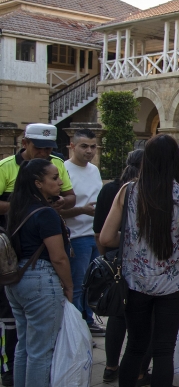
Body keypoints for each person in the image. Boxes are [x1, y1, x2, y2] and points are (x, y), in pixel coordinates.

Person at [99, 134, 179, 387]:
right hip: (173, 285)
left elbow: (106, 237)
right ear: (175, 161)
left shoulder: (127, 191)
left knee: (135, 347)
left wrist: (136, 240)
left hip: (135, 282)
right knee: (164, 349)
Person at [0, 124, 74, 386]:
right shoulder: (45, 214)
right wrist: (69, 286)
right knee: (42, 351)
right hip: (41, 281)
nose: (59, 182)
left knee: (24, 346)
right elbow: (58, 257)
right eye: (54, 178)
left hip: (17, 279)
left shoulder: (17, 209)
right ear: (38, 183)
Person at [93, 150, 151, 384]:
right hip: (140, 261)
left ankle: (111, 366)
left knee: (117, 314)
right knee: (144, 318)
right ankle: (138, 371)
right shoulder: (142, 191)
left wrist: (105, 258)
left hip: (115, 257)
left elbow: (99, 231)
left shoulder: (110, 189)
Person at [59, 129, 105, 337]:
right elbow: (58, 209)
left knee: (93, 285)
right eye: (84, 146)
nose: (89, 151)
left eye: (93, 146)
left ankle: (88, 321)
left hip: (95, 234)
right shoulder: (63, 171)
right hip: (76, 237)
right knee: (77, 285)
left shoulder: (94, 170)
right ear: (72, 146)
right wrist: (82, 210)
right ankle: (76, 328)